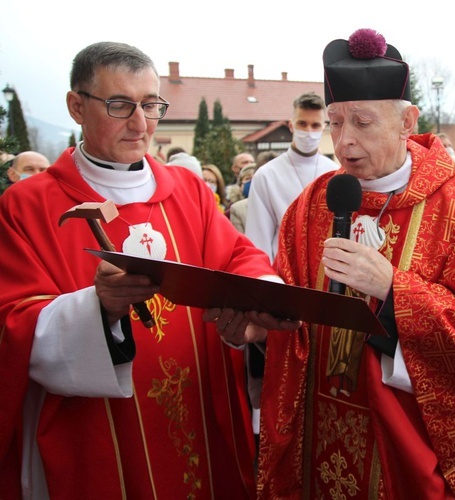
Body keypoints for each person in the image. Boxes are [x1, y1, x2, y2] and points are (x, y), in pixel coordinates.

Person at [0, 41, 299, 498]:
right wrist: (95, 309)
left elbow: (238, 256)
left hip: (199, 411)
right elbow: (12, 325)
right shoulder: (26, 205)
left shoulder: (187, 189)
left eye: (151, 105)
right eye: (120, 105)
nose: (140, 124)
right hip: (98, 436)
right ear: (76, 106)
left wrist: (260, 298)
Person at [257, 28, 455, 499]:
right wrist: (261, 316)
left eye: (362, 123)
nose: (343, 144)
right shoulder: (311, 206)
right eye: (335, 123)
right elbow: (288, 306)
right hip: (321, 424)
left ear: (408, 123)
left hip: (409, 437)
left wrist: (395, 290)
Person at [244, 92, 338, 262]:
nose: (309, 131)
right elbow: (258, 239)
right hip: (282, 271)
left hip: (323, 270)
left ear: (324, 127)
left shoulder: (334, 173)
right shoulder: (267, 175)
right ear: (291, 125)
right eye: (302, 124)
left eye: (315, 125)